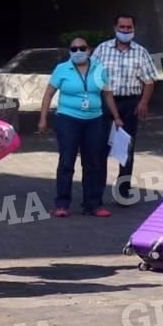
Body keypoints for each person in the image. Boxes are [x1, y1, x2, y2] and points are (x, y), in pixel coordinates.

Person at [38, 36, 123, 218]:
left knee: (93, 163)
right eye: (74, 49)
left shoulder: (98, 69)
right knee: (67, 162)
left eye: (82, 48)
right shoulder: (62, 69)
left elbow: (107, 95)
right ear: (70, 51)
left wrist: (116, 117)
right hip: (68, 118)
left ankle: (93, 204)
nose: (78, 52)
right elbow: (48, 94)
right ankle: (62, 204)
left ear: (89, 50)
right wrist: (43, 118)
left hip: (94, 119)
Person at [92, 14, 158, 203]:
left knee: (126, 147)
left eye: (129, 27)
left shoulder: (141, 52)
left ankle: (123, 192)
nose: (125, 31)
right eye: (122, 27)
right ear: (115, 28)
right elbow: (92, 75)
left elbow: (149, 81)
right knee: (100, 147)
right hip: (105, 102)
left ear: (133, 29)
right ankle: (96, 192)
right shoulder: (102, 50)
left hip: (130, 103)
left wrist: (143, 102)